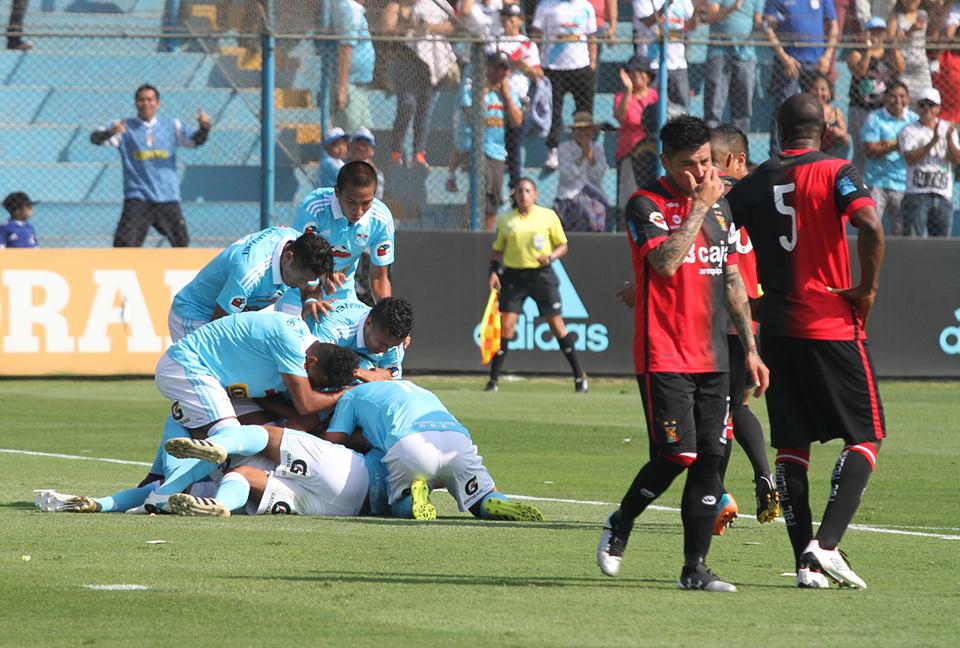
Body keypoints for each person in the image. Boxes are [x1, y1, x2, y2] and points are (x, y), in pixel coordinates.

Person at [596, 115, 768, 593]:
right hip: (664, 352)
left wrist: (750, 350)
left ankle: (695, 568)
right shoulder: (644, 204)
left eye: (707, 162)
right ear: (666, 162)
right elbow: (667, 263)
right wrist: (698, 207)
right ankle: (622, 520)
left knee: (712, 459)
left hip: (715, 354)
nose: (701, 172)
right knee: (679, 454)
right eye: (689, 164)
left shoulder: (721, 209)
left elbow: (732, 280)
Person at [725, 93, 886, 590]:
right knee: (866, 435)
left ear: (777, 132)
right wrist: (868, 287)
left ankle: (804, 563)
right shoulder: (838, 170)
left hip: (776, 328)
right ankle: (828, 544)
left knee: (792, 446)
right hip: (832, 324)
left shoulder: (751, 185)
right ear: (827, 130)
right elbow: (870, 223)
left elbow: (718, 240)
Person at [144, 313, 359, 509]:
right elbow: (306, 404)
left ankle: (155, 487)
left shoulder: (303, 348)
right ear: (312, 362)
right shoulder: (291, 343)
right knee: (229, 437)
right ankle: (165, 492)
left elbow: (270, 399)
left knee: (234, 441)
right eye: (313, 381)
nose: (310, 385)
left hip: (218, 383)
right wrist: (346, 394)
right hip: (189, 366)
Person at [39, 426, 391, 519]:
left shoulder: (193, 474)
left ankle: (224, 494)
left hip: (322, 500)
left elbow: (151, 491)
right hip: (353, 491)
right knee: (259, 444)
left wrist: (104, 502)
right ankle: (221, 499)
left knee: (244, 470)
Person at [319, 379, 545, 521]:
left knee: (398, 506)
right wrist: (487, 488)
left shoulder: (350, 395)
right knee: (480, 496)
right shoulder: (417, 388)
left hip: (410, 444)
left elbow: (333, 441)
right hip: (455, 440)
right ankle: (493, 501)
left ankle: (415, 497)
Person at [708, 124, 780, 530]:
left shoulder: (717, 200)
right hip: (754, 316)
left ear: (736, 161)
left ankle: (716, 495)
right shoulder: (764, 200)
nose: (708, 173)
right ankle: (765, 476)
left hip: (720, 316)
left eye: (713, 164)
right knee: (739, 406)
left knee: (714, 412)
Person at [486, 177, 588, 393]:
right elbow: (497, 250)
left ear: (536, 194)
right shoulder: (506, 220)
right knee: (506, 327)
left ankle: (579, 377)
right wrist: (493, 272)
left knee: (556, 325)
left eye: (528, 190)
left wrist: (550, 257)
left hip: (541, 275)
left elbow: (563, 246)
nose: (523, 194)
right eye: (520, 191)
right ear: (515, 195)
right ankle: (493, 380)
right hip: (514, 276)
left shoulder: (548, 216)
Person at [90, 84, 212, 248]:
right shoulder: (124, 126)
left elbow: (196, 140)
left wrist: (204, 128)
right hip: (138, 196)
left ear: (158, 103)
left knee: (181, 245)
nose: (146, 103)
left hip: (167, 196)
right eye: (141, 100)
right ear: (135, 103)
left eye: (150, 99)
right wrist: (111, 132)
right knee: (124, 247)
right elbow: (95, 139)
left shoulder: (172, 125)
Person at [169, 227, 333, 341]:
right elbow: (217, 331)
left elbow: (312, 285)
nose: (303, 285)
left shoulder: (302, 246)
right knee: (214, 378)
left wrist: (310, 301)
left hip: (231, 315)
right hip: (195, 315)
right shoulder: (249, 273)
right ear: (288, 257)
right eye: (302, 279)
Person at [286, 161, 394, 308]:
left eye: (366, 203)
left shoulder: (382, 220)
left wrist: (387, 317)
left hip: (343, 297)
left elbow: (379, 276)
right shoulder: (313, 208)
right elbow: (300, 259)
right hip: (297, 292)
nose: (358, 211)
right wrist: (320, 278)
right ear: (337, 192)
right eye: (351, 201)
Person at [381, 0, 456, 168]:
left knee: (424, 108)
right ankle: (396, 151)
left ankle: (419, 153)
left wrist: (429, 28)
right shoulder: (396, 6)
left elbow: (452, 26)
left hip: (427, 66)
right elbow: (387, 31)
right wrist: (409, 26)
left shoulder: (435, 5)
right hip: (404, 62)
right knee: (407, 105)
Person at [764, 0, 839, 156]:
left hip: (816, 64)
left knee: (814, 110)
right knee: (783, 109)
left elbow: (834, 25)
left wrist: (827, 55)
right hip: (789, 64)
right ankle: (779, 155)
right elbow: (767, 28)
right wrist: (784, 58)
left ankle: (811, 154)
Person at [531, 0, 598, 171]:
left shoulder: (586, 6)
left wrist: (592, 62)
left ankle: (583, 149)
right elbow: (537, 36)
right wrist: (536, 62)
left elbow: (591, 37)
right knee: (554, 111)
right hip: (553, 68)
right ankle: (552, 150)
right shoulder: (545, 6)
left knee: (584, 111)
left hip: (581, 67)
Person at [490, 2, 544, 188]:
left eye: (511, 19)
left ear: (520, 20)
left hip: (518, 100)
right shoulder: (495, 41)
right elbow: (489, 67)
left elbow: (538, 74)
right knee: (493, 143)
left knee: (514, 149)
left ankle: (514, 190)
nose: (507, 23)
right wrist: (512, 64)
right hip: (495, 99)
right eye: (504, 19)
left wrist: (523, 67)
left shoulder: (527, 43)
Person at [898, 87, 960, 236]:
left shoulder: (948, 129)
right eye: (922, 104)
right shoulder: (909, 130)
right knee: (913, 242)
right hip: (917, 193)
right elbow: (910, 159)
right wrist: (934, 141)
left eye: (931, 105)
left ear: (938, 108)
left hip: (942, 194)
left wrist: (949, 139)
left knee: (941, 244)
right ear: (917, 107)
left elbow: (957, 159)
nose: (926, 108)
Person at [846, 16, 905, 172]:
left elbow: (900, 69)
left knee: (881, 149)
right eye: (872, 31)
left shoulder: (889, 54)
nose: (876, 35)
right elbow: (859, 72)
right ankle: (856, 185)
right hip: (860, 108)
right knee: (861, 151)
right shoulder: (856, 53)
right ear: (866, 33)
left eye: (880, 31)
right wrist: (868, 50)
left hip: (881, 111)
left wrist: (894, 47)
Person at [308, 297, 414, 382]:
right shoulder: (334, 327)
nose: (385, 350)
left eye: (390, 346)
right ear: (368, 323)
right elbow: (315, 367)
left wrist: (388, 374)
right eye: (382, 343)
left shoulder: (393, 341)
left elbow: (394, 377)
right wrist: (360, 373)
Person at [862, 80, 916, 235]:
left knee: (900, 230)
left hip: (903, 182)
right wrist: (895, 145)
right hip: (877, 182)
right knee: (871, 227)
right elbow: (870, 150)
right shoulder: (875, 118)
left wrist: (885, 145)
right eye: (892, 96)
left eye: (902, 96)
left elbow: (915, 150)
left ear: (908, 98)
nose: (898, 100)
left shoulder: (913, 119)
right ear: (885, 98)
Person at [703, 0, 764, 135]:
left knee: (743, 110)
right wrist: (733, 8)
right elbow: (710, 17)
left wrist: (766, 24)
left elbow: (758, 22)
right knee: (714, 107)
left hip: (746, 55)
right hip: (719, 53)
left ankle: (739, 149)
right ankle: (711, 150)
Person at [632, 0, 697, 111]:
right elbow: (647, 22)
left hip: (677, 64)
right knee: (649, 110)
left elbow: (691, 24)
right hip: (651, 66)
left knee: (681, 110)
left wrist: (698, 12)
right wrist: (666, 6)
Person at [613, 56, 658, 211]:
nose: (636, 75)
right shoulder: (621, 96)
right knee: (629, 199)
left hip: (652, 152)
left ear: (648, 76)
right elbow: (620, 117)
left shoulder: (655, 95)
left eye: (640, 71)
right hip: (629, 152)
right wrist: (628, 90)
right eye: (632, 72)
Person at [554, 111, 608, 232]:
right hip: (569, 194)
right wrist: (581, 157)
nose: (583, 133)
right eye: (579, 129)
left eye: (586, 129)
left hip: (593, 193)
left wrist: (591, 158)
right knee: (580, 207)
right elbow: (566, 176)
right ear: (574, 131)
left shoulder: (598, 148)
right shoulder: (564, 147)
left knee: (597, 208)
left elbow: (598, 177)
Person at [330, 0, 375, 133]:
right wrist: (342, 88)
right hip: (349, 84)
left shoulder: (354, 9)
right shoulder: (350, 9)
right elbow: (345, 48)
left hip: (360, 82)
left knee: (364, 136)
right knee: (351, 133)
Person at [886, 0, 933, 97]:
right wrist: (910, 31)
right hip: (903, 66)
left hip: (921, 67)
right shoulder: (896, 16)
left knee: (924, 98)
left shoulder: (923, 14)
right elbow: (890, 41)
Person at [803, 72, 850, 158]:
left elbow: (846, 140)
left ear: (829, 93)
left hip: (831, 156)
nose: (819, 93)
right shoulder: (804, 112)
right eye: (814, 89)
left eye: (823, 89)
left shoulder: (835, 112)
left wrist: (837, 132)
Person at [348, 127, 385, 199]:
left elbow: (377, 201)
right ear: (350, 147)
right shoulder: (340, 169)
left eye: (364, 144)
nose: (360, 147)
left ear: (372, 151)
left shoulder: (376, 174)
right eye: (357, 143)